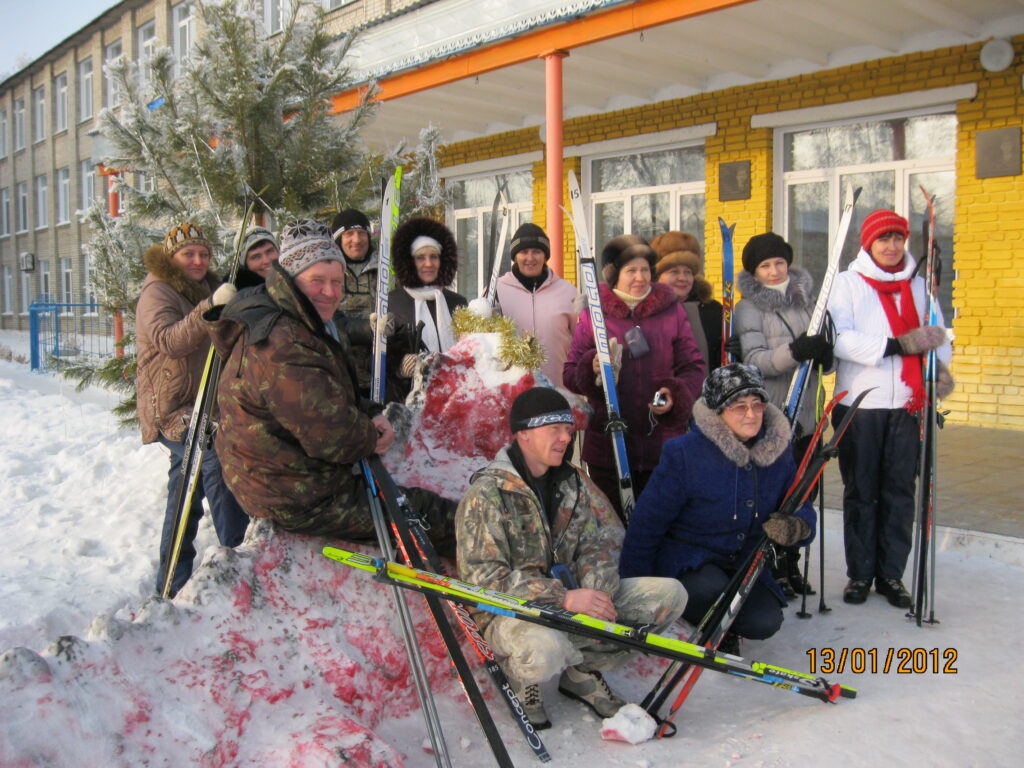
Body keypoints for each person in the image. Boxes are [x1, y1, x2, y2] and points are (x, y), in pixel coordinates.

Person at [206, 219, 456, 554]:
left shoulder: (299, 319)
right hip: (294, 491)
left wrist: (368, 412)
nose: (331, 292)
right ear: (293, 279)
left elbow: (330, 389)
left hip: (284, 471)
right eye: (317, 281)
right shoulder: (283, 344)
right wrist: (369, 435)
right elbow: (332, 439)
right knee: (428, 513)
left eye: (337, 282)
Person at [456, 386, 687, 729]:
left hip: (571, 606)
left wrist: (599, 595)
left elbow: (594, 546)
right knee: (544, 647)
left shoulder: (571, 483)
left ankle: (579, 672)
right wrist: (564, 597)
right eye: (554, 430)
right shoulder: (487, 495)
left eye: (568, 429)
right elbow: (484, 582)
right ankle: (525, 679)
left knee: (669, 596)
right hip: (514, 614)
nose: (565, 438)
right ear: (523, 435)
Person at [619, 363, 817, 654]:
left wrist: (796, 526)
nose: (751, 414)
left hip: (744, 566)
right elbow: (647, 524)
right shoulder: (685, 454)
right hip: (690, 563)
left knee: (765, 621)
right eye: (739, 406)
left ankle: (724, 624)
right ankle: (703, 625)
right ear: (719, 412)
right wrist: (634, 592)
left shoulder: (778, 452)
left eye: (756, 405)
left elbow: (802, 506)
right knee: (709, 590)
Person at [827, 209, 953, 607]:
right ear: (868, 244)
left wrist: (936, 369)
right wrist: (896, 346)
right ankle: (860, 573)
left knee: (899, 491)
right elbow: (840, 339)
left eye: (898, 238)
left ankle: (891, 574)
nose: (892, 246)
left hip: (908, 404)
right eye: (884, 239)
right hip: (861, 403)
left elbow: (939, 336)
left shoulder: (919, 287)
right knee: (862, 490)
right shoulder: (847, 284)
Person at [135, 221, 249, 597]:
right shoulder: (158, 291)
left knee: (184, 495)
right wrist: (210, 307)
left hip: (200, 405)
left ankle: (170, 583)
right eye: (189, 254)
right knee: (214, 461)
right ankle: (239, 556)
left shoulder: (203, 287)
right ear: (172, 257)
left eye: (203, 253)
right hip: (171, 409)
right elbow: (170, 341)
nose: (197, 260)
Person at [563, 237, 705, 522]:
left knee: (659, 526)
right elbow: (569, 374)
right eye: (631, 270)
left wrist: (674, 395)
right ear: (615, 273)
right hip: (609, 444)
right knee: (613, 528)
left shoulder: (671, 310)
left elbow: (693, 366)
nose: (640, 277)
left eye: (645, 269)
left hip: (662, 444)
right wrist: (591, 367)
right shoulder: (594, 315)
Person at [733, 232, 833, 597]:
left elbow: (824, 347)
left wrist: (825, 355)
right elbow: (756, 361)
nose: (774, 271)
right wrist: (796, 351)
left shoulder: (810, 302)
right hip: (773, 416)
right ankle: (769, 566)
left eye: (779, 262)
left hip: (808, 415)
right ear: (754, 272)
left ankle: (792, 564)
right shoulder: (749, 309)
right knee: (775, 495)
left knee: (805, 493)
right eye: (765, 265)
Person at [386, 216, 468, 402]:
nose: (428, 264)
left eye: (434, 257)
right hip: (407, 401)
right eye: (420, 258)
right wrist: (399, 365)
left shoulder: (457, 302)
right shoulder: (393, 302)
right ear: (410, 262)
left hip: (455, 399)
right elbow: (376, 356)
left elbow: (472, 351)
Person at [494, 223, 578, 387]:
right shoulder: (496, 292)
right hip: (511, 392)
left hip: (559, 390)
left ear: (545, 256)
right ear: (515, 256)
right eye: (524, 252)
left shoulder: (568, 292)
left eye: (537, 252)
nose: (530, 258)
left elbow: (581, 342)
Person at [650, 230, 723, 373]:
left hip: (705, 393)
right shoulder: (646, 311)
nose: (682, 278)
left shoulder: (712, 310)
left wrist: (734, 351)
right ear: (658, 275)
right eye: (674, 272)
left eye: (688, 272)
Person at [331, 209, 379, 396]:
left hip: (379, 375)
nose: (357, 240)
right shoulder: (329, 274)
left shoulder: (386, 272)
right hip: (340, 376)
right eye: (349, 234)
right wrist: (369, 328)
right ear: (338, 239)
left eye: (361, 233)